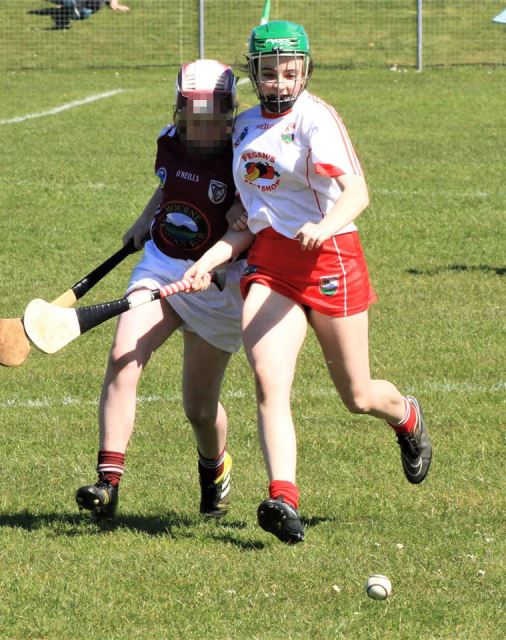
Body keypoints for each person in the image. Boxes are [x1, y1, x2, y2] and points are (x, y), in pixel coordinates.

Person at [184, 21, 433, 544]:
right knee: (269, 381)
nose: (279, 82)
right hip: (271, 265)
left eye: (289, 72)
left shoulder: (316, 118)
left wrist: (324, 225)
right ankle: (283, 498)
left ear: (305, 71)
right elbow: (249, 216)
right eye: (269, 73)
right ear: (254, 73)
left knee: (357, 394)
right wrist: (208, 259)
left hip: (330, 259)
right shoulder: (244, 127)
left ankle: (405, 416)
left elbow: (357, 192)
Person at [76, 59, 245, 520]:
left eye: (210, 117)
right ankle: (107, 483)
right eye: (192, 116)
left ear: (228, 113)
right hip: (163, 263)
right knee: (122, 357)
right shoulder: (169, 141)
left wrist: (221, 254)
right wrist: (144, 219)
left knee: (199, 408)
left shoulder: (244, 155)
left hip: (217, 284)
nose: (200, 126)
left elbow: (258, 223)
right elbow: (169, 184)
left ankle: (215, 466)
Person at [30, 0, 129, 31]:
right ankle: (63, 19)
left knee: (73, 7)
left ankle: (64, 15)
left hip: (86, 9)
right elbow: (112, 5)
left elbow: (112, 5)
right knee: (71, 8)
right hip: (86, 9)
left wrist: (117, 5)